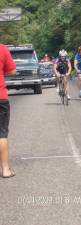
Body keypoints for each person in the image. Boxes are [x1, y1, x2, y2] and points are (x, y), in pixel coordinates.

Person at [0, 44, 16, 178]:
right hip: (0, 97)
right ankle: (5, 170)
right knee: (2, 134)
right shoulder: (2, 48)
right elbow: (12, 70)